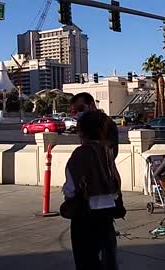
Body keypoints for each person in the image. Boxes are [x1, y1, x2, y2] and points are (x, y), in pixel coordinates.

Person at [63, 111, 122, 270]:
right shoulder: (107, 151)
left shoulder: (79, 153)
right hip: (106, 214)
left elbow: (70, 188)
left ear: (82, 131)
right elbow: (115, 183)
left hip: (85, 216)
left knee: (86, 261)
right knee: (108, 258)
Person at [71, 92, 119, 159]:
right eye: (75, 111)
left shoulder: (106, 122)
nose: (78, 113)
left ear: (92, 105)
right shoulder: (81, 123)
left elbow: (112, 151)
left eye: (81, 109)